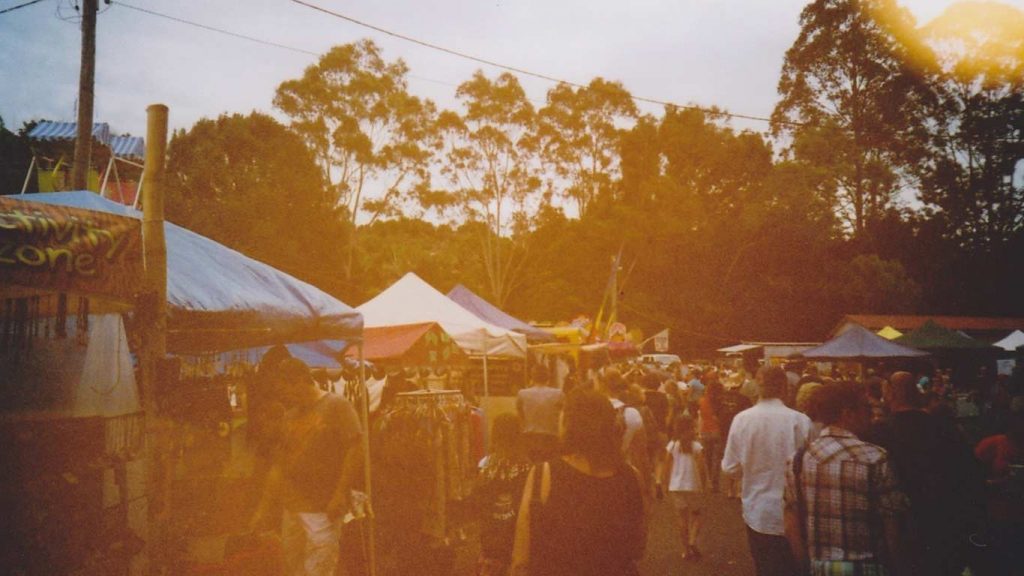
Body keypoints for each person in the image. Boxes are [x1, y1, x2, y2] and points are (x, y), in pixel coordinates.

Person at [511, 389, 647, 576]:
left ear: (569, 424)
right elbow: (638, 547)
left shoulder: (544, 475)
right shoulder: (632, 477)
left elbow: (521, 556)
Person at [250, 358, 364, 576]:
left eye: (285, 389)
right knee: (294, 568)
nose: (284, 396)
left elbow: (356, 448)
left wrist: (340, 493)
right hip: (292, 507)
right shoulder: (290, 416)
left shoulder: (337, 405)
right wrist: (262, 509)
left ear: (301, 381)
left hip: (323, 507)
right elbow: (279, 466)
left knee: (319, 569)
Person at [866, 371, 985, 576]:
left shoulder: (879, 432)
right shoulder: (944, 428)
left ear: (890, 394)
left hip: (898, 527)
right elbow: (970, 473)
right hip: (943, 523)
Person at [784, 383, 908, 575]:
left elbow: (791, 521)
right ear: (847, 413)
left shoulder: (799, 460)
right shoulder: (875, 457)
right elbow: (892, 527)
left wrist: (804, 566)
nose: (872, 415)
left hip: (819, 567)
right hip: (868, 567)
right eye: (866, 408)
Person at [722, 366, 812, 576]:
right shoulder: (800, 421)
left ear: (758, 388)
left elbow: (730, 468)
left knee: (764, 568)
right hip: (796, 514)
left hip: (758, 512)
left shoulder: (742, 420)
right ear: (784, 387)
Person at [473, 413, 532, 576]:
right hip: (515, 534)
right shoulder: (526, 466)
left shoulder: (485, 464)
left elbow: (478, 501)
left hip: (490, 534)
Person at [663, 415, 707, 562]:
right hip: (693, 485)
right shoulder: (696, 446)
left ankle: (685, 551)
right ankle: (693, 540)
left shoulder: (673, 445)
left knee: (682, 518)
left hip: (676, 485)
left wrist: (665, 482)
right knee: (698, 514)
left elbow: (667, 464)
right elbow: (701, 466)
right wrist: (704, 482)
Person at [517, 363, 564, 463]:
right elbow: (563, 416)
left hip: (529, 438)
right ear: (548, 377)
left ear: (532, 377)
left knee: (532, 468)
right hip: (551, 438)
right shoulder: (558, 394)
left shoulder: (522, 394)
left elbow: (520, 415)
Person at [698, 372, 724, 492]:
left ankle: (707, 480)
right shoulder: (722, 402)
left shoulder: (702, 401)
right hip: (718, 431)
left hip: (705, 431)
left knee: (707, 458)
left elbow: (701, 417)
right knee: (717, 459)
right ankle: (715, 482)